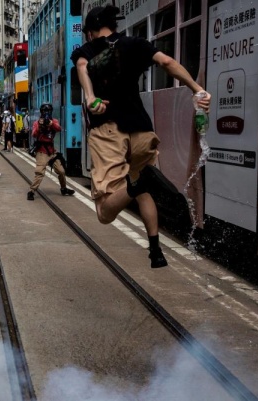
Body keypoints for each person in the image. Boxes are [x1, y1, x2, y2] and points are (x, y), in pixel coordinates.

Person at [71, 5, 211, 268]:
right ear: (114, 26)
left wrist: (91, 98)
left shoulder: (87, 50)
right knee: (142, 185)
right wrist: (197, 89)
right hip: (142, 130)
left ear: (90, 32)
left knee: (104, 211)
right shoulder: (135, 43)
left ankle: (138, 182)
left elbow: (82, 67)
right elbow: (166, 62)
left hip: (108, 130)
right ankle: (156, 251)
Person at [27, 103, 75, 201]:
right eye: (45, 111)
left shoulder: (54, 121)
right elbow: (34, 134)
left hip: (52, 151)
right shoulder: (37, 122)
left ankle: (63, 188)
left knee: (61, 171)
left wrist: (51, 124)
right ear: (41, 112)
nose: (46, 113)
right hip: (41, 151)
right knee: (40, 172)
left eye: (48, 111)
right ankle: (31, 191)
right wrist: (40, 127)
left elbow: (59, 129)